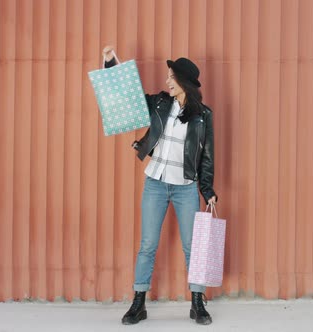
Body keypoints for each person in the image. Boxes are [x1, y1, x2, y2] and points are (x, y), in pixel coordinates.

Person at [101, 46, 218, 325]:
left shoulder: (203, 115)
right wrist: (110, 64)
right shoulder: (159, 103)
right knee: (147, 245)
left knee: (193, 247)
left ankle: (197, 304)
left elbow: (207, 157)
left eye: (171, 77)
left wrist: (208, 191)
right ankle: (138, 303)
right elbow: (128, 100)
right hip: (155, 182)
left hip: (186, 187)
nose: (167, 82)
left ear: (184, 82)